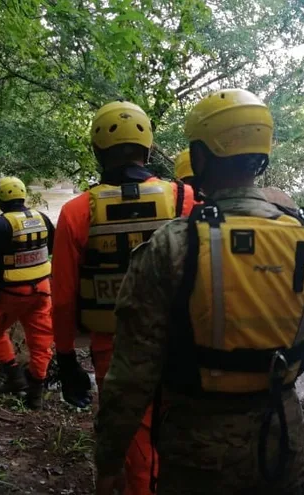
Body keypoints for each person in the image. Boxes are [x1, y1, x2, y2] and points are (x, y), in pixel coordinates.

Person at [94, 89, 304, 495]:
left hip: (197, 451)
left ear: (200, 157)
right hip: (281, 440)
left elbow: (132, 372)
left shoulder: (173, 245)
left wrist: (110, 459)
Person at [51, 100, 196, 495]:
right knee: (178, 431)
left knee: (135, 442)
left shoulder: (77, 211)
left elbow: (62, 297)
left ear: (98, 152)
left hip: (112, 348)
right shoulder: (184, 199)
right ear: (147, 149)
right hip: (179, 344)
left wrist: (65, 357)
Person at [0, 176, 55, 410]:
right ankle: (35, 395)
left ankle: (15, 377)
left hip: (12, 293)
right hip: (42, 290)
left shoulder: (0, 224)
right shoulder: (43, 218)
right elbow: (51, 248)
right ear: (23, 195)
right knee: (41, 342)